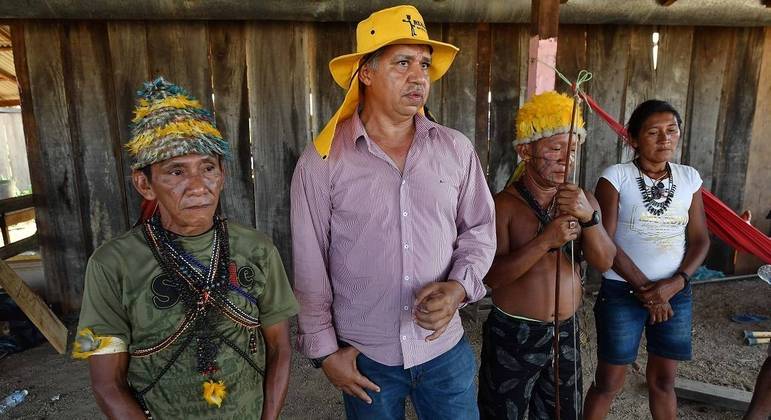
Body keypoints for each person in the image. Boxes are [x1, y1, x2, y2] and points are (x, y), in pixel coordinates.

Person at [290, 5, 496, 420]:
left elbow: (478, 230)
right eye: (402, 63)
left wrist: (459, 289)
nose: (419, 76)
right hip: (366, 356)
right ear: (365, 73)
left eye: (424, 63)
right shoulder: (323, 161)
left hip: (443, 348)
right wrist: (325, 353)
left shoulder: (454, 149)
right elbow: (309, 263)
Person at [74, 78, 298, 419]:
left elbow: (280, 348)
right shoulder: (110, 265)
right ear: (144, 184)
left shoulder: (257, 249)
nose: (197, 187)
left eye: (207, 168)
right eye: (175, 172)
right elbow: (107, 384)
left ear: (222, 175)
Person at [477, 91, 616, 420]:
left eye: (572, 150)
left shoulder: (583, 200)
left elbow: (605, 262)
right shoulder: (504, 206)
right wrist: (544, 241)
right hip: (513, 332)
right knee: (501, 414)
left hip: (565, 331)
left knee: (561, 413)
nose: (565, 160)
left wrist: (589, 219)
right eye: (555, 149)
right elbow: (490, 278)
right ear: (526, 151)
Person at [583, 99, 710, 419]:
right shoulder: (616, 176)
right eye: (654, 132)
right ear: (634, 139)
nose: (665, 138)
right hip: (623, 292)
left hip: (675, 295)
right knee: (609, 381)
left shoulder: (689, 178)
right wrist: (649, 292)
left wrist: (675, 284)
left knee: (665, 380)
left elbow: (700, 239)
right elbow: (604, 242)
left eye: (672, 130)